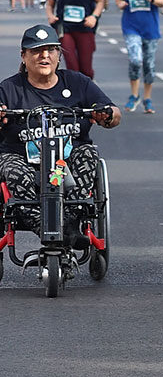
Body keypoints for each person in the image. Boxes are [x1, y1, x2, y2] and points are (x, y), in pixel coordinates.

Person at [0, 24, 121, 237]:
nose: (44, 56)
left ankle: (70, 219)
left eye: (50, 50)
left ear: (59, 54)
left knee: (88, 154)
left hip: (68, 160)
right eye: (36, 51)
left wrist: (106, 115)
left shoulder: (78, 83)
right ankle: (55, 231)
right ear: (24, 56)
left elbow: (114, 114)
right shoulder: (9, 89)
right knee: (11, 167)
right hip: (22, 159)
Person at [113, 0, 163, 114]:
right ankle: (134, 95)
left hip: (150, 29)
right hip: (131, 27)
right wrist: (120, 4)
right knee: (135, 60)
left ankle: (147, 98)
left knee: (149, 65)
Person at [46, 0, 105, 79]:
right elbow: (49, 4)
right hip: (65, 28)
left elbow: (100, 1)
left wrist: (94, 16)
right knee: (72, 65)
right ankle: (75, 96)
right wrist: (50, 16)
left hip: (84, 28)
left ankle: (88, 93)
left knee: (86, 69)